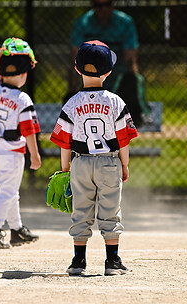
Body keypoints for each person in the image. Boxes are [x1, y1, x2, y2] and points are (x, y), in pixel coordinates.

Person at [50, 40, 138, 276]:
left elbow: (64, 142)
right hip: (109, 162)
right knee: (110, 211)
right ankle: (112, 262)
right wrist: (125, 164)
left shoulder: (71, 103)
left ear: (77, 69)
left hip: (80, 162)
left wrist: (65, 169)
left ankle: (78, 261)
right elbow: (123, 140)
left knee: (80, 211)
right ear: (109, 71)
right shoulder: (115, 102)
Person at [0, 37, 41, 249]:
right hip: (13, 152)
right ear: (24, 75)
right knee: (7, 192)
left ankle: (16, 229)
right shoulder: (22, 99)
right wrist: (34, 155)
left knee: (10, 190)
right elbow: (29, 130)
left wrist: (3, 52)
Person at [67, 0, 139, 93]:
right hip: (90, 82)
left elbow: (130, 60)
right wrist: (72, 90)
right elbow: (75, 57)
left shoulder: (125, 22)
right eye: (99, 5)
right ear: (92, 5)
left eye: (107, 4)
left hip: (119, 81)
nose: (103, 9)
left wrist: (134, 86)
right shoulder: (82, 23)